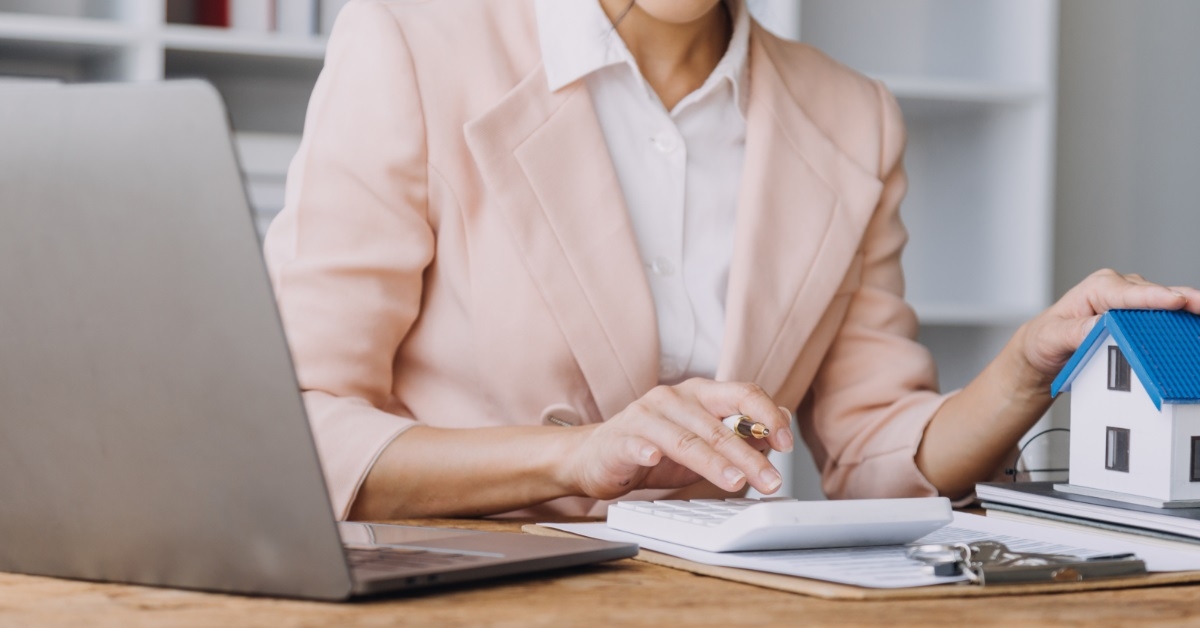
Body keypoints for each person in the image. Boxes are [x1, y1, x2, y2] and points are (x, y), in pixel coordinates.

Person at [262, 0, 1200, 521]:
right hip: (465, 602)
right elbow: (296, 429)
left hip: (717, 605)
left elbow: (875, 452)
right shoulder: (411, 42)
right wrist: (576, 457)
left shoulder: (851, 113)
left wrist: (1024, 370)